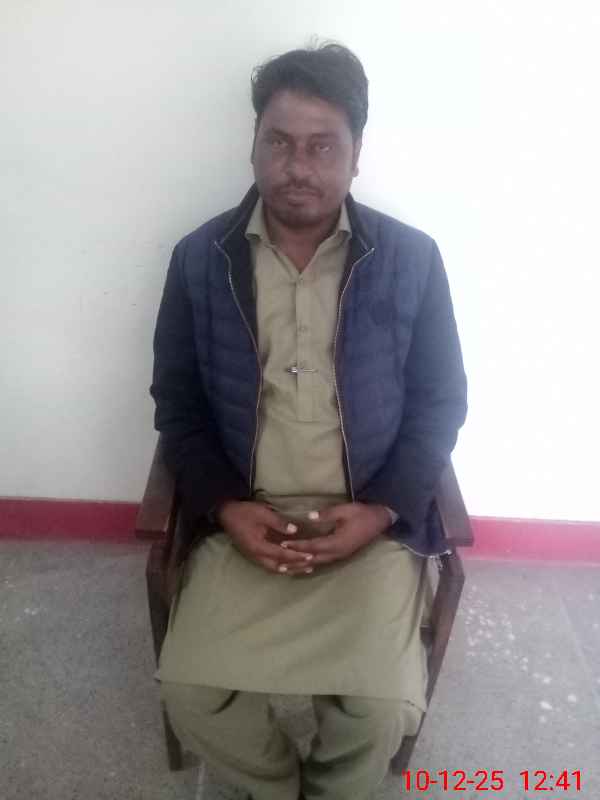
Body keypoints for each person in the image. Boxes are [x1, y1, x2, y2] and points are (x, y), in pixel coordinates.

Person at [149, 42, 467, 800]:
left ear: (356, 155)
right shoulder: (199, 259)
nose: (298, 166)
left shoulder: (412, 260)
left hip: (366, 528)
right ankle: (273, 788)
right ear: (254, 145)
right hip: (245, 522)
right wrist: (227, 507)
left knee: (380, 709)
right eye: (280, 143)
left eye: (323, 146)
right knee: (191, 693)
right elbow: (178, 402)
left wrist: (382, 509)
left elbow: (440, 400)